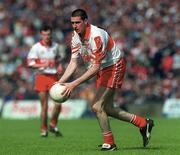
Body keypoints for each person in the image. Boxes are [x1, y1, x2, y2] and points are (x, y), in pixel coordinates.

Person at [58, 9, 154, 151]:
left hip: (114, 66)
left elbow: (95, 67)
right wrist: (60, 82)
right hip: (102, 68)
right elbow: (73, 63)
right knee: (106, 108)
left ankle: (110, 143)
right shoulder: (75, 37)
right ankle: (143, 123)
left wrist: (73, 84)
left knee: (97, 106)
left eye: (77, 22)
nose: (74, 26)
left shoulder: (96, 36)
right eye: (72, 23)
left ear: (85, 21)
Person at [27, 24, 64, 137]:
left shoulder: (55, 46)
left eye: (48, 34)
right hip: (41, 77)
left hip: (53, 77)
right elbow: (30, 63)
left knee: (58, 104)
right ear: (41, 35)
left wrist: (59, 66)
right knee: (45, 106)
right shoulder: (36, 47)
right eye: (44, 34)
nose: (47, 36)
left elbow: (57, 59)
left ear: (51, 34)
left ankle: (52, 125)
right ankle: (43, 129)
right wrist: (43, 64)